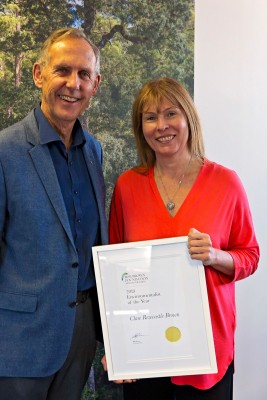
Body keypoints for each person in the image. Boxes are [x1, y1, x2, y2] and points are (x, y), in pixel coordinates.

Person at [106, 77, 259, 400]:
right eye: (150, 117)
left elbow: (250, 255)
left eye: (171, 114)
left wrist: (215, 256)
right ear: (141, 127)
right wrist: (118, 343)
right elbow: (115, 276)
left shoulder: (226, 183)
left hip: (207, 353)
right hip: (145, 352)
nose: (161, 126)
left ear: (189, 117)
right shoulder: (127, 187)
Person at [0, 28, 108, 400]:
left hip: (80, 334)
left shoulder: (93, 151)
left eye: (83, 74)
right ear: (38, 74)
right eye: (62, 70)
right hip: (18, 339)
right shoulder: (5, 150)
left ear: (95, 84)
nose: (72, 84)